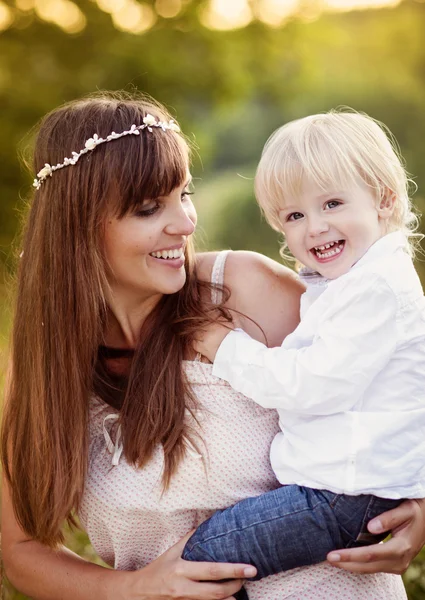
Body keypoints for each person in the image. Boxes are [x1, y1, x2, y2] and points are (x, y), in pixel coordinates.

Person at [1, 93, 424, 600]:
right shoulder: (44, 368)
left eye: (184, 193)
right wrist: (135, 589)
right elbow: (20, 552)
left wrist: (420, 507)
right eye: (148, 208)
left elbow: (398, 374)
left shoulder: (243, 290)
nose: (184, 224)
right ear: (78, 228)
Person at [182, 110, 425, 591]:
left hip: (343, 496)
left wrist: (224, 346)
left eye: (332, 203)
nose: (314, 227)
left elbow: (310, 384)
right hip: (340, 490)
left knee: (205, 556)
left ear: (384, 199)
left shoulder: (374, 289)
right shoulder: (350, 283)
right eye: (295, 216)